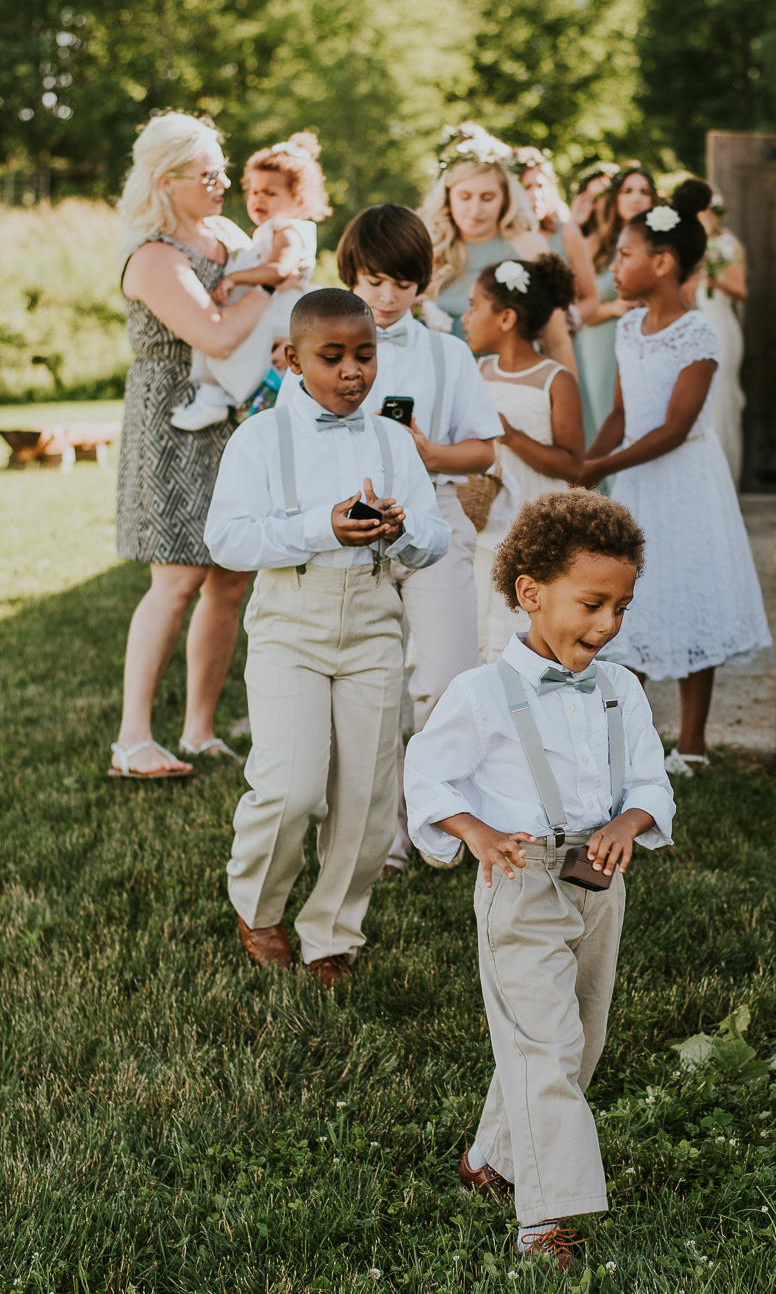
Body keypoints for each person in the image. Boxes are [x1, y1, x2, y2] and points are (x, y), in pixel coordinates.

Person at [403, 489, 674, 1271]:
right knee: (542, 1045)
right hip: (520, 883)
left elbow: (652, 782)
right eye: (593, 603)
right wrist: (475, 833)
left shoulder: (622, 689)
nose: (610, 623)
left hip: (598, 883)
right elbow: (428, 777)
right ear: (531, 594)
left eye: (621, 606)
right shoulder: (482, 694)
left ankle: (491, 1157)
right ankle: (546, 1220)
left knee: (578, 1039)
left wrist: (631, 822)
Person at [205, 289, 451, 985]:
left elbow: (435, 539)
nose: (352, 372)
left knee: (368, 798)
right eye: (333, 357)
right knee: (289, 787)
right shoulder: (259, 438)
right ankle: (259, 906)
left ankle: (332, 931)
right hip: (291, 621)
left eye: (364, 356)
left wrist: (404, 530)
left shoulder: (392, 440)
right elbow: (227, 540)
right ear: (293, 358)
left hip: (373, 620)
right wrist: (322, 526)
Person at [278, 204, 503, 877]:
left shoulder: (446, 353)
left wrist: (429, 453)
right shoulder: (311, 353)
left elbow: (485, 450)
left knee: (444, 680)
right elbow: (289, 445)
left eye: (402, 283)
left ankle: (434, 814)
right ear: (350, 274)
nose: (385, 297)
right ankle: (382, 836)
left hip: (432, 522)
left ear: (421, 284)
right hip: (350, 532)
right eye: (373, 281)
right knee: (370, 693)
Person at [583, 179, 773, 777]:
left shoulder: (698, 335)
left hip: (684, 478)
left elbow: (672, 427)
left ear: (662, 263)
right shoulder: (626, 327)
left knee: (690, 591)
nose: (615, 265)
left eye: (625, 255)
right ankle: (627, 741)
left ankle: (691, 743)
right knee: (629, 599)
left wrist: (600, 469)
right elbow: (620, 414)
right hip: (637, 482)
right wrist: (583, 468)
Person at [110, 112, 274, 779]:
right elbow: (214, 335)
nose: (222, 182)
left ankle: (199, 729)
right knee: (177, 576)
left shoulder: (225, 234)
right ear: (167, 179)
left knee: (230, 576)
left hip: (234, 417)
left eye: (221, 169)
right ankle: (132, 741)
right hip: (170, 419)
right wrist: (271, 283)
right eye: (207, 174)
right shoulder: (151, 255)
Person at [460, 253, 587, 660]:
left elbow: (572, 464)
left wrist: (512, 436)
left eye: (474, 306)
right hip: (485, 524)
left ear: (507, 319)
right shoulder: (479, 372)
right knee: (482, 628)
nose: (465, 317)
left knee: (525, 632)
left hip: (535, 526)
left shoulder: (556, 380)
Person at [169, 132, 328, 435]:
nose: (258, 199)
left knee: (233, 346)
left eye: (270, 193)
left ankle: (217, 399)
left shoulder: (288, 231)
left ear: (300, 200)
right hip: (270, 312)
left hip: (277, 315)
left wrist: (234, 277)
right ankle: (215, 397)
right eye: (254, 191)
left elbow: (279, 271)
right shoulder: (269, 231)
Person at [420, 123, 578, 375]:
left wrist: (569, 405)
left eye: (487, 197)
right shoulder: (428, 246)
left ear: (505, 197)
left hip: (511, 387)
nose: (475, 209)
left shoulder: (529, 247)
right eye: (465, 196)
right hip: (442, 383)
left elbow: (556, 340)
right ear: (448, 196)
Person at [574, 166, 657, 440]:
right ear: (615, 198)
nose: (636, 198)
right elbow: (572, 308)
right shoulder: (593, 245)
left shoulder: (662, 246)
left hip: (650, 342)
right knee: (602, 418)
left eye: (644, 192)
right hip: (601, 343)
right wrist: (613, 309)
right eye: (628, 191)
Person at [688, 192, 749, 484]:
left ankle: (725, 477)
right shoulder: (692, 243)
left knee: (722, 397)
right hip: (697, 323)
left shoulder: (727, 245)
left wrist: (713, 281)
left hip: (721, 323)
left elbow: (742, 291)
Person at [513, 148, 601, 327]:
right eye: (526, 187)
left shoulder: (567, 232)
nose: (536, 195)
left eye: (541, 186)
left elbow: (591, 298)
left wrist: (565, 324)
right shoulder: (504, 237)